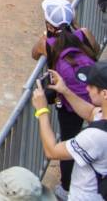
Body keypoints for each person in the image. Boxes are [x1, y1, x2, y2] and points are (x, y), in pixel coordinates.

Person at [31, 0, 99, 200]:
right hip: (94, 100)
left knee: (68, 142)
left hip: (69, 104)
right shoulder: (84, 33)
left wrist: (45, 36)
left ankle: (66, 187)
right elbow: (94, 51)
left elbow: (34, 54)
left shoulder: (47, 43)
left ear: (49, 23)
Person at [32, 61, 107, 201]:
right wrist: (64, 90)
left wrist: (42, 110)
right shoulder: (103, 116)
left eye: (91, 85)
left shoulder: (95, 137)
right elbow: (91, 113)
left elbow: (52, 151)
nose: (87, 88)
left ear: (104, 93)